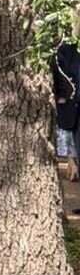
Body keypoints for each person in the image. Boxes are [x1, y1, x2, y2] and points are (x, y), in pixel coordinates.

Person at [54, 41, 79, 182]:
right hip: (71, 100)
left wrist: (61, 95)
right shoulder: (69, 52)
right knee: (70, 132)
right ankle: (72, 164)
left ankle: (72, 165)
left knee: (67, 130)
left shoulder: (62, 53)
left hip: (68, 101)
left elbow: (63, 77)